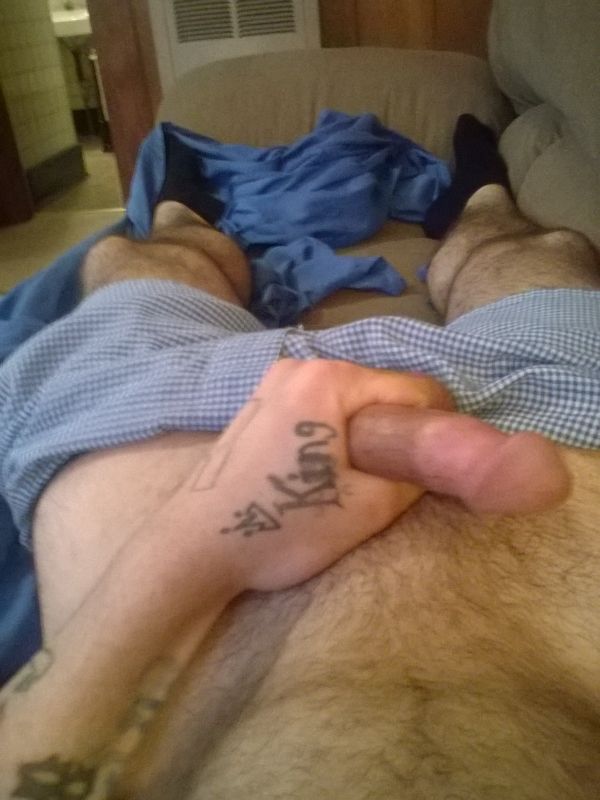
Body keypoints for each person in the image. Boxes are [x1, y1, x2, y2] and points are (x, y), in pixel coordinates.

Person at [0, 117, 599, 799]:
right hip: (558, 414)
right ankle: (481, 198)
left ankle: (181, 214)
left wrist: (200, 539)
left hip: (158, 424)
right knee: (535, 253)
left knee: (134, 261)